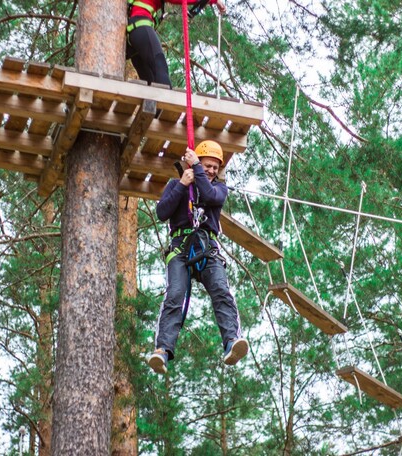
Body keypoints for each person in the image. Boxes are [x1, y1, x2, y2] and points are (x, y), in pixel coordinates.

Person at [147, 140, 248, 374]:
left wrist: (197, 170)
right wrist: (183, 184)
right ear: (197, 163)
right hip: (180, 248)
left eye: (215, 167)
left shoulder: (219, 188)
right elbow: (163, 212)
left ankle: (231, 341)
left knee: (221, 291)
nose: (211, 171)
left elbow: (211, 197)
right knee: (174, 295)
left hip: (206, 247)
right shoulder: (176, 184)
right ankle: (163, 349)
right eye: (207, 165)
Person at [126, 0, 227, 87]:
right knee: (160, 66)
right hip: (140, 27)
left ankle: (156, 107)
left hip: (136, 37)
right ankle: (164, 103)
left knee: (151, 79)